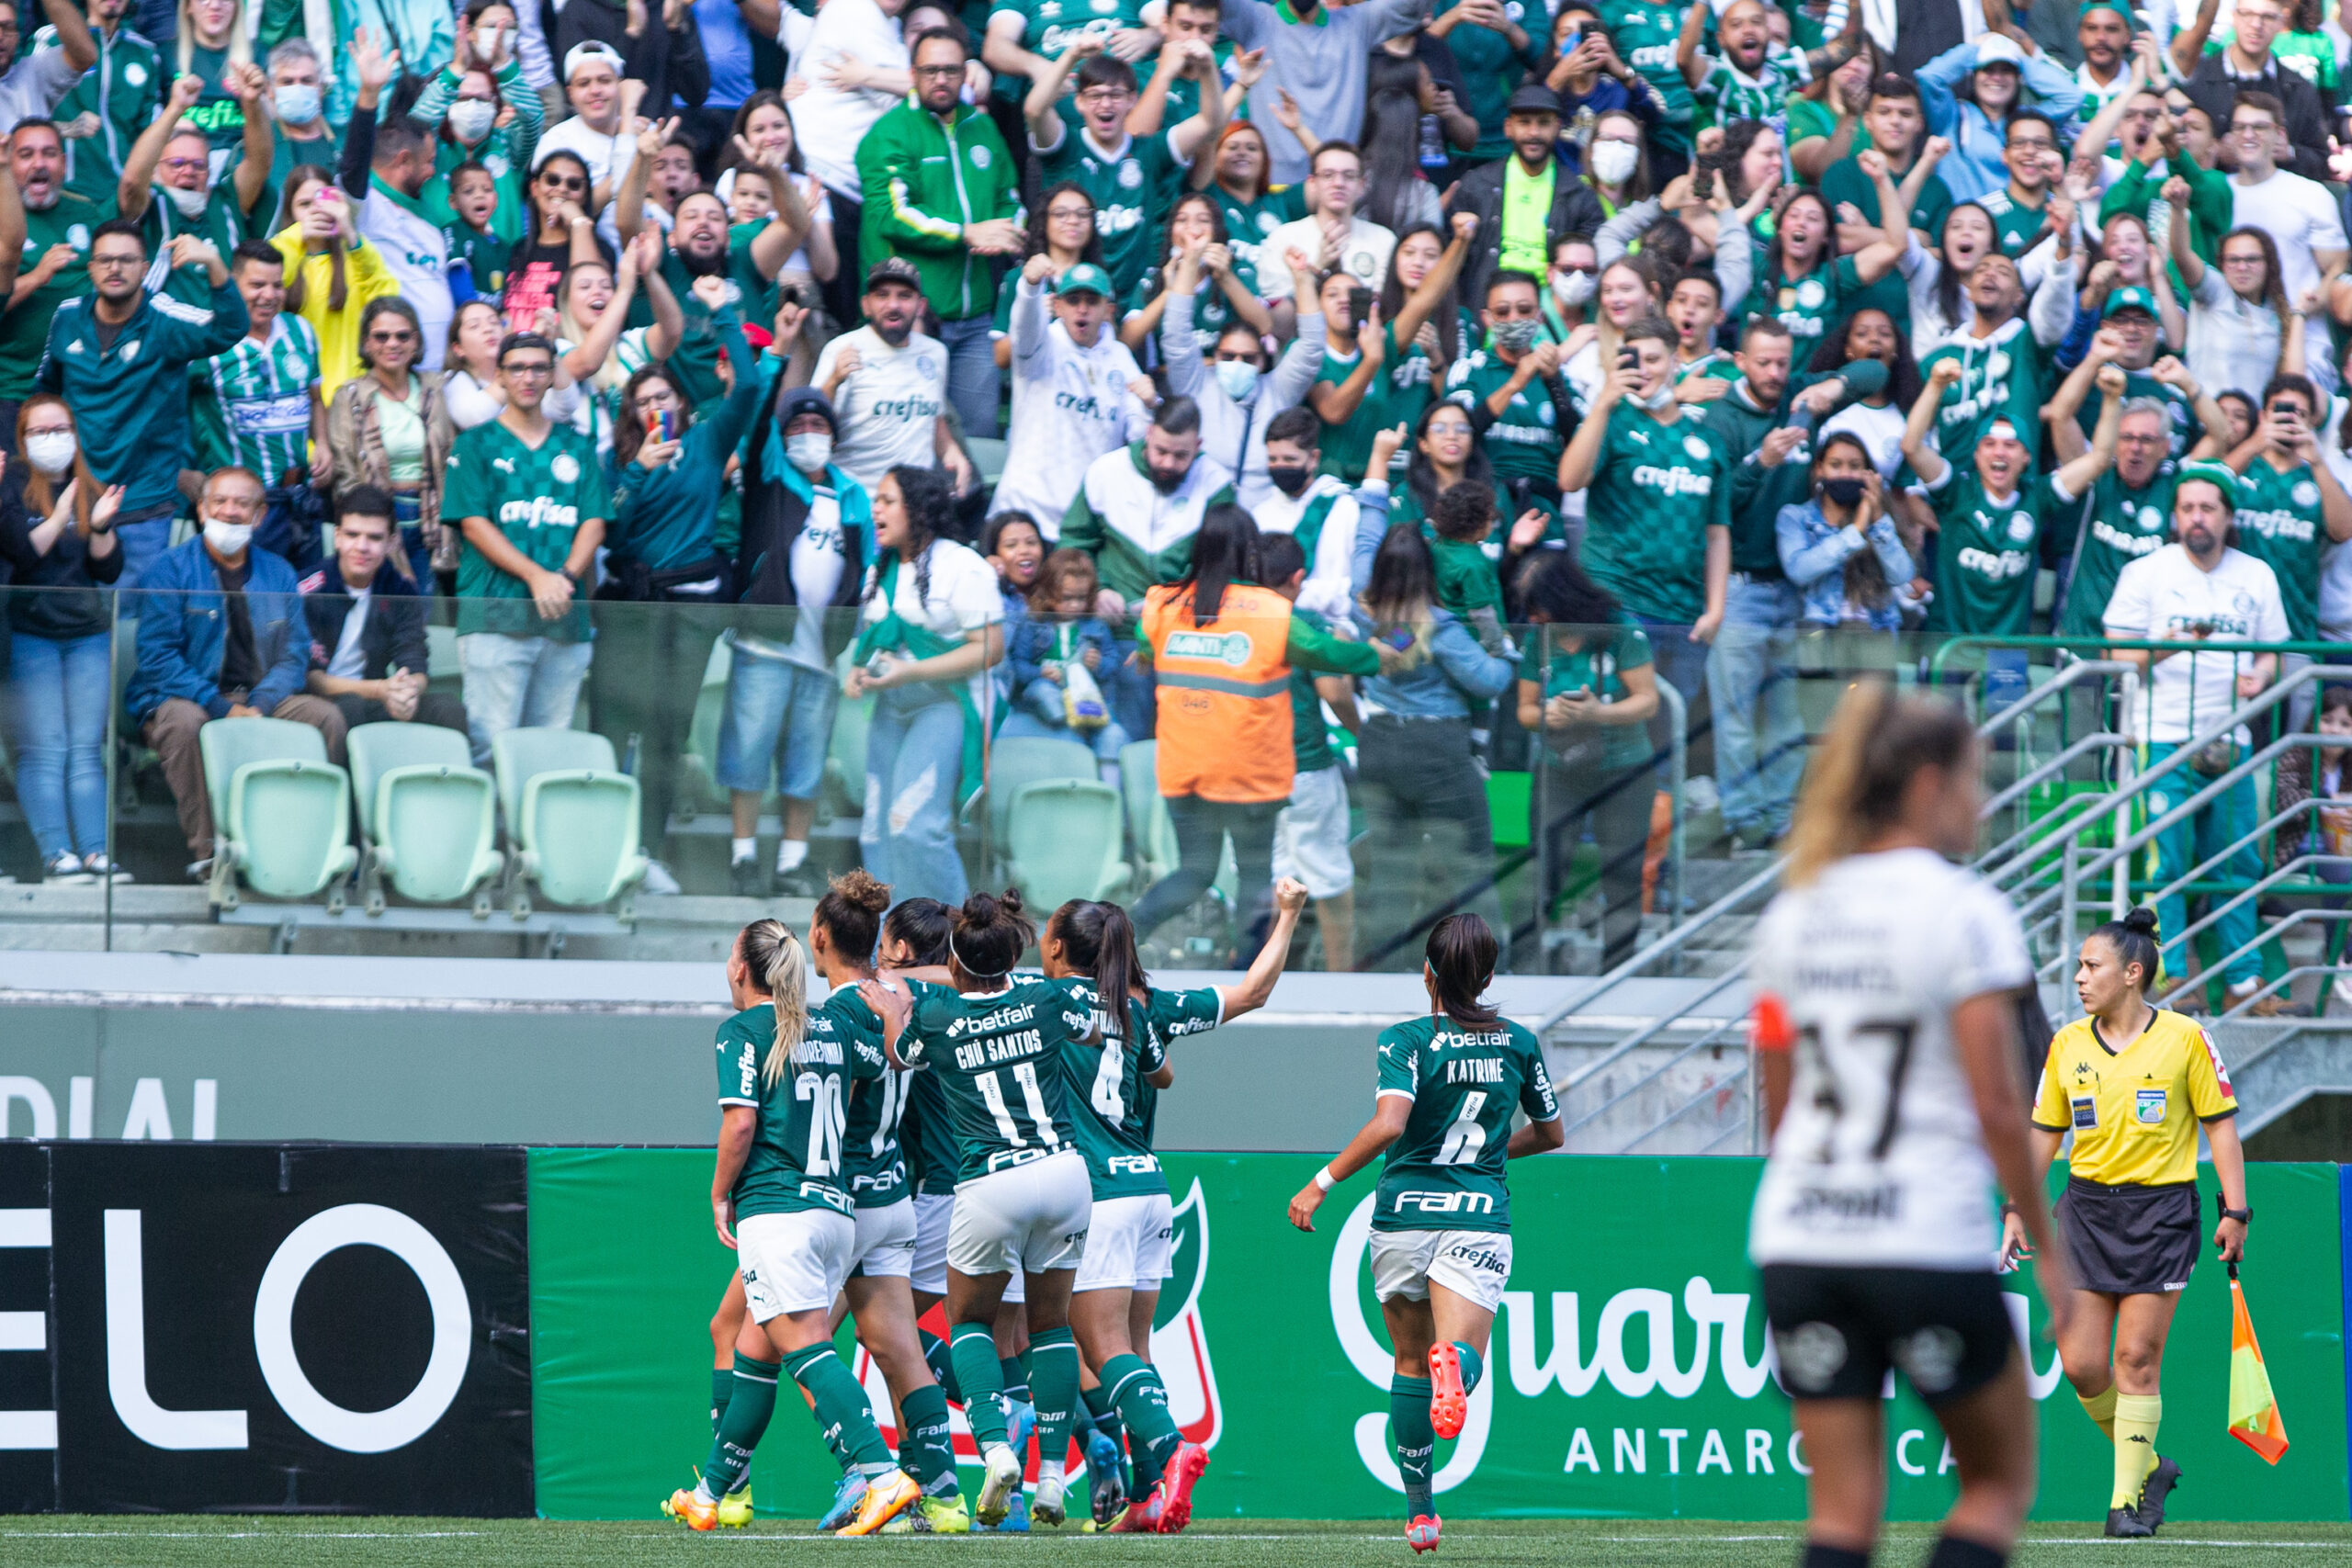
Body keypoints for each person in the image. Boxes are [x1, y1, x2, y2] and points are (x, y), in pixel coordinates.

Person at [1748, 683, 2073, 1568]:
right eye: (1974, 778)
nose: (1983, 799)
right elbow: (2001, 1107)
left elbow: (1779, 1113)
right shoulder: (1965, 911)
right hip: (1922, 1235)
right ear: (1928, 785)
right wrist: (2048, 1252)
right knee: (1997, 1484)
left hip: (1801, 1238)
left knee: (1842, 1516)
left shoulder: (1792, 913)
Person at [862, 891, 1147, 1530]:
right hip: (1066, 1173)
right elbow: (1101, 1025)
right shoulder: (1046, 999)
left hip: (988, 1181)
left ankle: (994, 1448)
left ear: (955, 958)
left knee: (969, 1324)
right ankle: (1051, 1475)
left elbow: (898, 1053)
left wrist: (893, 999)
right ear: (1013, 955)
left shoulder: (937, 1014)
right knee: (1049, 1329)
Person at [1283, 910, 1563, 1555]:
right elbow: (1552, 1133)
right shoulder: (1519, 1042)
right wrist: (1490, 1152)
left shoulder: (1405, 1038)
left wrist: (1321, 1181)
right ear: (1489, 975)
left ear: (1427, 974)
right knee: (1461, 1357)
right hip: (1476, 1216)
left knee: (1407, 1362)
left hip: (1402, 1217)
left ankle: (1420, 1513)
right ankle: (1456, 1367)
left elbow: (1389, 1124)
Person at [1045, 887, 1304, 1524]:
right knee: (1135, 1347)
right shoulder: (1145, 1008)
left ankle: (1168, 1446)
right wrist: (1289, 914)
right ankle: (1142, 1496)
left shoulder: (1043, 1003)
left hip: (1097, 1192)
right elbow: (1253, 992)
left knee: (1099, 1344)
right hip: (1151, 1189)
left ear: (1054, 947)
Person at [660, 917, 921, 1536]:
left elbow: (741, 1124)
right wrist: (893, 1017)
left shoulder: (741, 1030)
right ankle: (708, 1493)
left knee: (807, 1349)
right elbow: (885, 1063)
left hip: (777, 1211)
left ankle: (882, 1475)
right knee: (754, 1350)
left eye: (729, 955)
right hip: (836, 1211)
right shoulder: (831, 1022)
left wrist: (720, 1193)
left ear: (742, 969)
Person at [2006, 907, 2250, 1535]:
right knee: (2082, 1360)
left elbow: (2220, 1123)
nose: (2080, 977)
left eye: (2092, 966)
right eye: (2080, 966)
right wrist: (2014, 1208)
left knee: (2136, 1357)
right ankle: (2148, 1466)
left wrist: (2235, 1208)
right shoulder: (2066, 1045)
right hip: (2086, 1211)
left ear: (2133, 972)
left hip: (2162, 1212)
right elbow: (2043, 1133)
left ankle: (2123, 1506)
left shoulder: (2185, 1038)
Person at [1133, 500, 1383, 954]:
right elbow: (1330, 655)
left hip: (1183, 773)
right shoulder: (1270, 611)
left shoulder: (1161, 605)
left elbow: (1143, 644)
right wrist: (1379, 653)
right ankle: (1246, 978)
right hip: (1249, 777)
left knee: (1194, 873)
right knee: (1253, 877)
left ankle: (1122, 938)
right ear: (1249, 552)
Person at [2102, 466, 2291, 1011]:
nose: (2197, 518)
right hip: (2162, 735)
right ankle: (2174, 980)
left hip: (2230, 736)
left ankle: (2245, 983)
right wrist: (2166, 647)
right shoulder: (2146, 571)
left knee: (2238, 863)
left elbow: (2273, 650)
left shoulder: (2256, 574)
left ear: (2228, 517)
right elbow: (2118, 655)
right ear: (2174, 515)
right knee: (2169, 864)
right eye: (2187, 508)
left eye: (2208, 508)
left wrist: (2261, 676)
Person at [600, 305, 774, 893]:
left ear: (680, 402)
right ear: (632, 410)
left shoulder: (705, 441)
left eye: (664, 396)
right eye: (644, 399)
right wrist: (639, 472)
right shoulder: (620, 462)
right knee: (621, 727)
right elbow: (612, 533)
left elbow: (749, 383)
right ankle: (612, 845)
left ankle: (652, 849)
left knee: (669, 733)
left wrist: (727, 312)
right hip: (633, 611)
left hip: (692, 610)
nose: (656, 406)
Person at [128, 465, 345, 881]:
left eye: (242, 504)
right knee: (185, 724)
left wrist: (259, 704)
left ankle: (303, 847)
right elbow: (158, 659)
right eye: (220, 502)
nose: (230, 512)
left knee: (326, 719)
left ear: (260, 515)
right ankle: (210, 857)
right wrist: (219, 706)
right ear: (202, 509)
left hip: (260, 698)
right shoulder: (169, 569)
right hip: (186, 699)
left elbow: (295, 654)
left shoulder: (279, 571)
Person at [1349, 487, 1514, 970]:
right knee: (1470, 870)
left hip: (1378, 744)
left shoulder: (1365, 607)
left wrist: (1375, 497)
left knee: (1388, 875)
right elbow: (1491, 682)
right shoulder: (1438, 626)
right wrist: (1504, 650)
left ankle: (1375, 983)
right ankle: (1492, 979)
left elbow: (1364, 545)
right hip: (1436, 750)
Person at [1702, 318, 1849, 852]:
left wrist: (1833, 386)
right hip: (1739, 586)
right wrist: (1759, 463)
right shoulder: (1721, 420)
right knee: (1737, 718)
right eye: (1762, 362)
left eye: (1782, 362)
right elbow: (1713, 507)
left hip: (1797, 589)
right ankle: (1745, 820)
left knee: (1788, 718)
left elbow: (1874, 368)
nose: (1774, 372)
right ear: (1739, 361)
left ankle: (1783, 819)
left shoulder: (1800, 401)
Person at [35, 220, 247, 588]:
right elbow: (46, 392)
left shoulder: (165, 318)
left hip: (142, 504)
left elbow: (228, 329)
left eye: (126, 260)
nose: (114, 268)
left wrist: (213, 263)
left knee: (128, 621)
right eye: (104, 259)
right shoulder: (67, 316)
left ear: (145, 268)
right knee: (70, 613)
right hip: (74, 498)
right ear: (91, 268)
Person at [723, 385, 869, 898]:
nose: (809, 435)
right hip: (764, 646)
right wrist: (780, 352)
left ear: (834, 436)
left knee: (805, 764)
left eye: (819, 427)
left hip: (821, 655)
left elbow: (865, 564)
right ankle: (743, 856)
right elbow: (756, 420)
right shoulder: (772, 479)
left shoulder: (853, 494)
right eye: (798, 428)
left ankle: (792, 862)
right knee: (748, 753)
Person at [443, 332, 611, 765]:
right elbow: (474, 525)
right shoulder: (475, 443)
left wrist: (566, 579)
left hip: (563, 620)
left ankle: (533, 836)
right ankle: (494, 837)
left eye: (540, 367)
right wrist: (537, 577)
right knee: (491, 748)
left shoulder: (577, 444)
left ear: (554, 374)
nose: (529, 377)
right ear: (499, 375)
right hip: (495, 616)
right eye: (517, 368)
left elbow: (594, 521)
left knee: (550, 753)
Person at [1554, 312, 1728, 722]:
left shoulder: (1708, 440)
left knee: (1670, 734)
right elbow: (1569, 479)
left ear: (1675, 363)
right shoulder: (1613, 422)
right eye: (1633, 359)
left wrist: (1716, 608)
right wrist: (1603, 402)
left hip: (1685, 613)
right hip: (1619, 602)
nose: (1644, 369)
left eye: (1654, 359)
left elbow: (1718, 533)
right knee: (1611, 729)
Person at [844, 466, 1003, 905]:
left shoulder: (961, 566)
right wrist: (862, 672)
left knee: (913, 825)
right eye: (875, 500)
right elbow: (878, 642)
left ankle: (964, 943)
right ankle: (888, 946)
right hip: (890, 705)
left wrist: (910, 672)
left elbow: (991, 648)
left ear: (918, 511)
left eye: (887, 500)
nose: (875, 508)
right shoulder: (880, 567)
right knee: (876, 829)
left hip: (942, 706)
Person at [855, 26, 1021, 439]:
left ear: (966, 73)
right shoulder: (889, 133)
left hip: (977, 317)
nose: (941, 80)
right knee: (911, 436)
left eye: (950, 70)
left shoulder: (983, 128)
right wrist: (966, 233)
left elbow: (1010, 199)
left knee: (979, 437)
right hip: (913, 319)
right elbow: (892, 214)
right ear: (912, 74)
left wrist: (1011, 231)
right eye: (930, 70)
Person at [1901, 361, 2122, 637]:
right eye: (1989, 444)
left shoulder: (2038, 497)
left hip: (2007, 653)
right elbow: (1911, 446)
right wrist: (1935, 386)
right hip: (1949, 644)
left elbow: (2100, 459)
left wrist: (2113, 400)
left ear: (2026, 457)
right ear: (1977, 455)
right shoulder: (1956, 492)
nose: (2000, 453)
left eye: (2010, 445)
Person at [0, 394, 124, 884]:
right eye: (39, 431)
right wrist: (59, 515)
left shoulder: (88, 486)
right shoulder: (12, 485)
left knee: (85, 748)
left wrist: (98, 526)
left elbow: (108, 567)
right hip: (31, 632)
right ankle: (56, 853)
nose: (52, 439)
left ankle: (95, 853)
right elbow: (23, 552)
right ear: (23, 441)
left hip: (88, 633)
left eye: (60, 429)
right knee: (44, 748)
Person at [1519, 549, 1658, 970]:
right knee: (1543, 868)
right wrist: (1549, 714)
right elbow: (1524, 710)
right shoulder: (1536, 639)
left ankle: (1616, 969)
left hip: (1624, 767)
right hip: (1559, 768)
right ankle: (1522, 966)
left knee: (1621, 873)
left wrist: (1599, 713)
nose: (1535, 617)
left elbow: (1648, 701)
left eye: (1540, 608)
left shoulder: (1621, 631)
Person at [1027, 39, 1223, 304]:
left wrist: (1209, 67)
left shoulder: (1150, 151)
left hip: (1133, 301)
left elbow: (1210, 125)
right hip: (1072, 299)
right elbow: (1034, 109)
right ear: (1079, 102)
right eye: (1095, 96)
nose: (1106, 105)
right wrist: (1071, 55)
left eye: (1116, 95)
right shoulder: (1066, 148)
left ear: (1132, 100)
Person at [192, 240, 327, 573]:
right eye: (257, 285)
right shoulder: (207, 340)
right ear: (232, 285)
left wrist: (323, 443)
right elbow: (168, 411)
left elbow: (314, 399)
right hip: (241, 507)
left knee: (306, 597)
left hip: (299, 498)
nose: (269, 294)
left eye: (277, 285)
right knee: (252, 601)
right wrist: (185, 474)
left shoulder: (302, 331)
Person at [994, 258, 1152, 536]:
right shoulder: (1042, 344)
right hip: (1024, 514)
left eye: (1092, 301)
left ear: (1108, 310)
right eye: (1073, 300)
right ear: (1057, 306)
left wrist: (1150, 405)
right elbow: (1024, 330)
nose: (1082, 309)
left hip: (1083, 521)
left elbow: (1138, 434)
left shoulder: (1120, 358)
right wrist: (1030, 287)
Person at [298, 487, 469, 736]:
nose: (362, 546)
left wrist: (407, 692)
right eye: (352, 535)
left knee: (447, 708)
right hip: (326, 701)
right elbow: (312, 680)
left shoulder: (400, 589)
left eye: (375, 538)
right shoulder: (311, 588)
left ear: (391, 542)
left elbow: (414, 660)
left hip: (380, 696)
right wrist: (381, 690)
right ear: (337, 537)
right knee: (349, 709)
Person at [1317, 217, 1474, 488]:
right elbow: (1333, 411)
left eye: (1430, 255)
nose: (1418, 262)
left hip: (1410, 471)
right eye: (1409, 252)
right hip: (1348, 473)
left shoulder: (1455, 322)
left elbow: (1425, 300)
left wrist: (1461, 241)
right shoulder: (1370, 329)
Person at [1166, 246, 1326, 507]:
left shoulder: (1278, 390)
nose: (1237, 363)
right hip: (1201, 524)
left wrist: (1302, 280)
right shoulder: (1194, 384)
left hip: (1261, 526)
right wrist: (1190, 264)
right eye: (1228, 357)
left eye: (1248, 358)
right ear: (1215, 357)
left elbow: (1312, 348)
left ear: (1262, 362)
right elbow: (1176, 333)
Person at [336, 31, 455, 372]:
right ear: (403, 160)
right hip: (389, 372)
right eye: (429, 161)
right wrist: (369, 96)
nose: (434, 171)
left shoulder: (426, 214)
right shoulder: (365, 205)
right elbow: (353, 166)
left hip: (437, 379)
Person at [1217, 0, 1429, 187]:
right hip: (1275, 189)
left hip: (1337, 186)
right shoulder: (1256, 19)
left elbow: (1411, 6)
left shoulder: (1356, 23)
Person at [323, 297, 457, 588]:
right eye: (381, 336)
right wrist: (369, 521)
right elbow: (346, 472)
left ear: (417, 341)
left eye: (402, 336)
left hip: (431, 517)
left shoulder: (437, 389)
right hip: (373, 522)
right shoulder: (349, 397)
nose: (392, 344)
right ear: (366, 343)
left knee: (415, 611)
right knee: (379, 609)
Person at [814, 259, 973, 497]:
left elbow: (934, 421)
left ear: (921, 306)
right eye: (882, 295)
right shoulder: (841, 348)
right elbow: (814, 432)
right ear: (866, 305)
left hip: (917, 503)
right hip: (857, 501)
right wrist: (833, 381)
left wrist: (953, 453)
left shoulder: (935, 353)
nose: (893, 305)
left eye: (905, 296)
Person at [0, 118, 111, 456]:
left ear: (64, 163)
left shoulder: (86, 212)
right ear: (10, 163)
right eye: (26, 154)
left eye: (49, 154)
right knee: (19, 503)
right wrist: (36, 277)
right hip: (13, 390)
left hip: (81, 387)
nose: (39, 164)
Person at [267, 170, 403, 406]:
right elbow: (269, 278)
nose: (315, 211)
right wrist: (297, 236)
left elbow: (388, 302)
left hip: (354, 400)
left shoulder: (356, 255)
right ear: (290, 212)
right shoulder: (283, 254)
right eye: (304, 204)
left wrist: (351, 234)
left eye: (323, 201)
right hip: (298, 402)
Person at [2222, 93, 2346, 342]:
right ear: (2230, 136)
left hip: (2302, 338)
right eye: (2240, 127)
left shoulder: (2310, 194)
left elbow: (2336, 268)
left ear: (2279, 134)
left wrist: (2300, 313)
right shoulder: (2216, 193)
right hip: (2231, 339)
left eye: (2259, 127)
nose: (2248, 135)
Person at [1915, 28, 2084, 205]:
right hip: (1964, 225)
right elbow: (1928, 77)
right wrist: (1973, 49)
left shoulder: (2027, 121)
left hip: (2011, 225)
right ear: (1974, 76)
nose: (1996, 78)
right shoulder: (1952, 116)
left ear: (2018, 78)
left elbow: (2071, 97)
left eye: (2006, 71)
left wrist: (2021, 59)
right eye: (1988, 69)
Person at [1001, 547, 1129, 777]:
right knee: (1043, 690)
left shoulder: (1096, 626)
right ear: (1049, 593)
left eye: (1081, 598)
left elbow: (1112, 662)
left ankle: (1111, 794)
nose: (1075, 605)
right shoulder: (1033, 624)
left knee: (1114, 735)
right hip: (1049, 695)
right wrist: (1040, 672)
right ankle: (1069, 727)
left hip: (1085, 697)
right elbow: (1018, 665)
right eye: (1066, 598)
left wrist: (1098, 663)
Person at [2177, 0, 2332, 182]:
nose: (2256, 25)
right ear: (2234, 17)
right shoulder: (2197, 81)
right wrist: (2212, 150)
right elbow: (2174, 150)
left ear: (2281, 23)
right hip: (2211, 200)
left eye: (2267, 17)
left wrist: (2289, 152)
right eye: (2247, 14)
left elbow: (2321, 160)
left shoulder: (2299, 89)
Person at [1259, 143, 1396, 328]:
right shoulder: (1283, 238)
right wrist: (1318, 269)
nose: (1338, 183)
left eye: (1349, 176)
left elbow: (1386, 314)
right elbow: (1277, 324)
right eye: (1328, 175)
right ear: (1312, 184)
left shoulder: (1384, 240)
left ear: (1361, 185)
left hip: (1365, 348)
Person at [2172, 218, 2290, 415]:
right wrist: (2177, 207)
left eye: (2252, 259)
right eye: (2233, 260)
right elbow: (2181, 255)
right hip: (2207, 419)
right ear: (2222, 264)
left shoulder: (2278, 312)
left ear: (2269, 263)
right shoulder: (2215, 292)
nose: (2242, 267)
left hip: (2253, 426)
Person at [52, 0, 163, 209]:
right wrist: (68, 128)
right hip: (67, 194)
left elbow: (150, 132)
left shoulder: (145, 53)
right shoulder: (52, 41)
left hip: (123, 199)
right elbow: (22, 124)